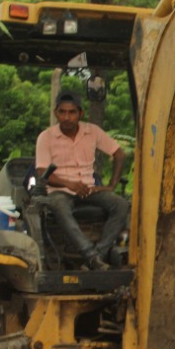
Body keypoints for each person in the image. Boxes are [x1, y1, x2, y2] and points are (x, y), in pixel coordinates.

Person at [35, 90, 129, 271]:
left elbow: (119, 153)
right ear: (56, 113)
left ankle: (98, 255)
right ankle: (90, 255)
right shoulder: (46, 137)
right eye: (62, 112)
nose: (66, 117)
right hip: (60, 191)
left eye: (71, 112)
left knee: (121, 204)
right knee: (59, 205)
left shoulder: (92, 131)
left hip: (88, 189)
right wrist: (69, 184)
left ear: (81, 113)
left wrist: (111, 185)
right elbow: (42, 173)